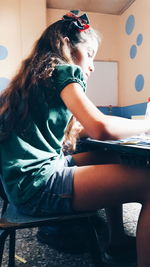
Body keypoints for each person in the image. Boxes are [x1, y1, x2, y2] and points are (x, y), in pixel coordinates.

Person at [0, 10, 150, 267]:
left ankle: (116, 242)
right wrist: (146, 126)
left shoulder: (35, 77)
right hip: (38, 187)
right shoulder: (63, 70)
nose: (91, 65)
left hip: (20, 185)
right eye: (90, 54)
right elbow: (100, 128)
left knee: (111, 156)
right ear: (68, 47)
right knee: (148, 183)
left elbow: (82, 128)